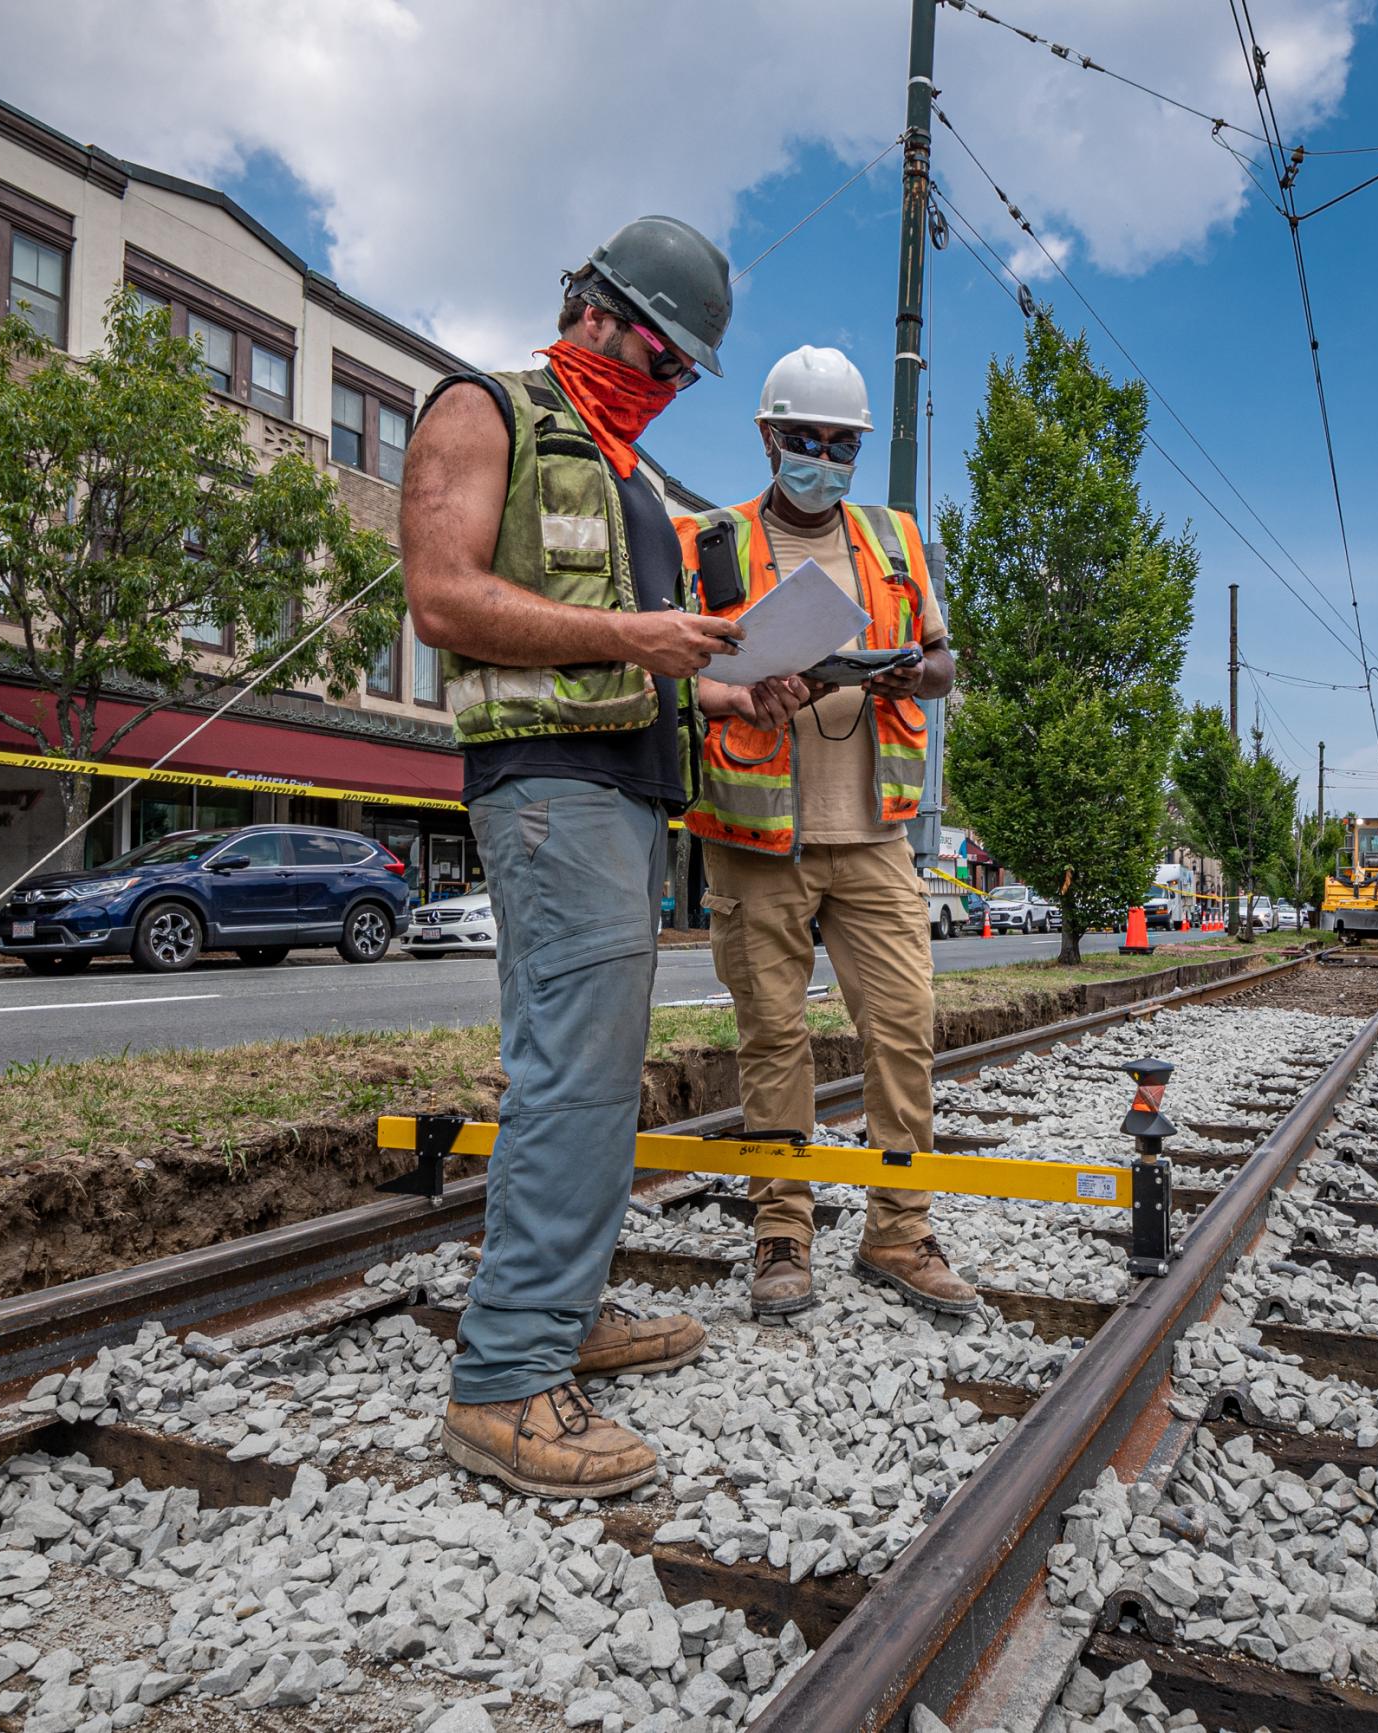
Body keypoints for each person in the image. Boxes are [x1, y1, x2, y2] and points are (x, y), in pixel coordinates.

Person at [400, 216, 803, 1499]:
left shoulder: (624, 468)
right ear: (596, 311)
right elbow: (443, 597)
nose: (672, 382)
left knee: (583, 1068)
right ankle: (507, 1379)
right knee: (574, 1073)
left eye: (687, 371)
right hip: (548, 789)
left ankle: (557, 1315)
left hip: (622, 788)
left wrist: (726, 693)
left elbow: (615, 655)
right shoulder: (482, 413)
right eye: (663, 355)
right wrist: (637, 630)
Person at [675, 346, 977, 1320]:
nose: (820, 457)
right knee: (772, 1038)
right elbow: (678, 677)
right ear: (767, 436)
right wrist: (736, 696)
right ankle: (780, 1235)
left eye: (838, 443)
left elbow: (939, 662)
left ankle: (898, 1230)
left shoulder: (894, 539)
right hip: (754, 838)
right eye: (802, 439)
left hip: (873, 837)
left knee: (902, 1029)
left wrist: (908, 673)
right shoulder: (707, 542)